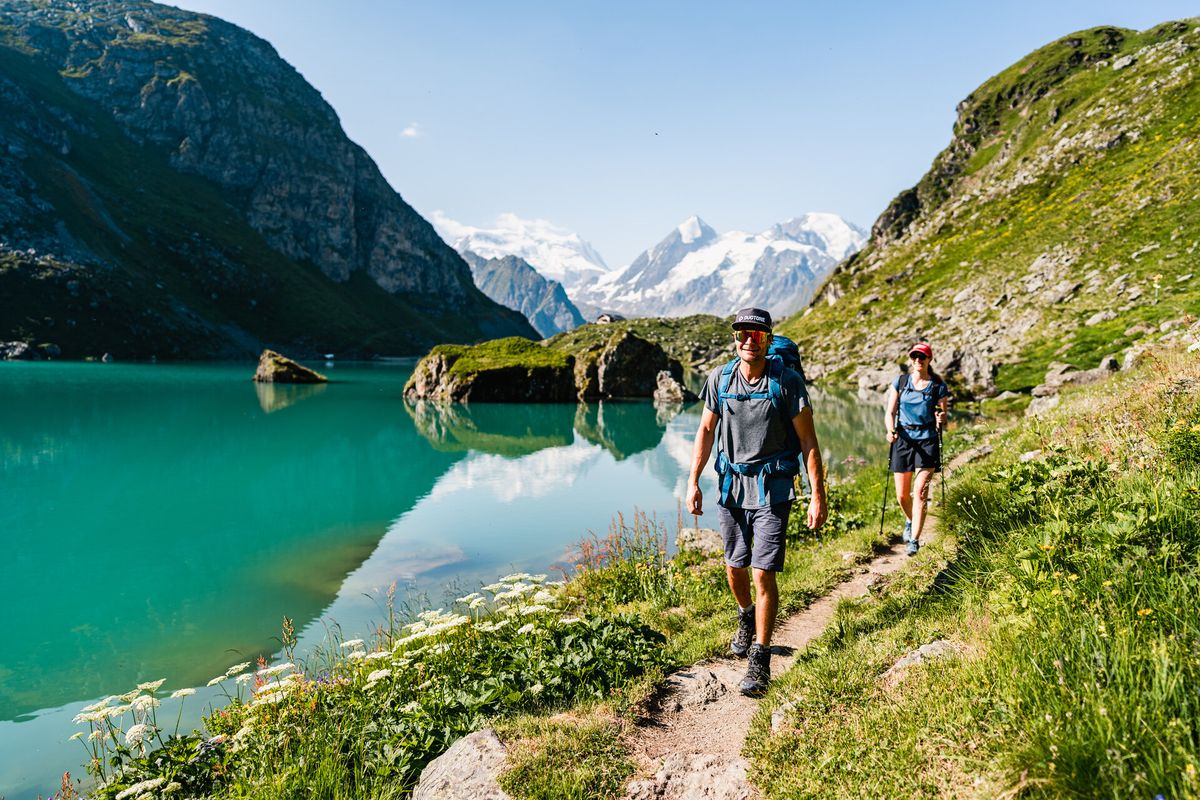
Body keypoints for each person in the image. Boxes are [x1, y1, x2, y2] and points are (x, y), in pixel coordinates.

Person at [686, 307, 827, 697]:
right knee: (734, 569)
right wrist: (693, 481)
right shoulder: (721, 378)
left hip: (772, 489)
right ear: (735, 338)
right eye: (742, 333)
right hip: (731, 488)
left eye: (757, 334)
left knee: (763, 572)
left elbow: (808, 442)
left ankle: (760, 660)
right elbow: (705, 430)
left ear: (768, 339)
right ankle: (746, 616)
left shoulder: (787, 381)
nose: (749, 340)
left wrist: (818, 495)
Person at [884, 342, 949, 557]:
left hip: (927, 441)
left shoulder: (938, 386)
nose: (918, 361)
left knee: (920, 492)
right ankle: (910, 520)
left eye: (922, 357)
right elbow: (890, 412)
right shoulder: (901, 382)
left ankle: (914, 540)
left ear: (929, 360)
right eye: (914, 357)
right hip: (903, 440)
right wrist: (890, 430)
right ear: (910, 359)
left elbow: (943, 416)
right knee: (902, 496)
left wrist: (941, 418)